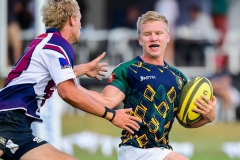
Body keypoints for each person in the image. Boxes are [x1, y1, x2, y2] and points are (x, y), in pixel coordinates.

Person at [0, 0, 141, 159]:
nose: (81, 25)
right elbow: (68, 92)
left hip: (18, 126)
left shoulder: (46, 41)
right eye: (80, 19)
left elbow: (55, 77)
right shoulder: (58, 46)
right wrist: (112, 116)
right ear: (72, 19)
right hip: (7, 119)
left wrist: (85, 71)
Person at [78, 11, 217, 160]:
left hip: (161, 151)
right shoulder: (129, 69)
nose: (153, 38)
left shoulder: (179, 78)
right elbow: (106, 100)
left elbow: (185, 121)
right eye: (147, 34)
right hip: (135, 150)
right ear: (139, 39)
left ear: (168, 37)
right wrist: (72, 86)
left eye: (158, 33)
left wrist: (208, 117)